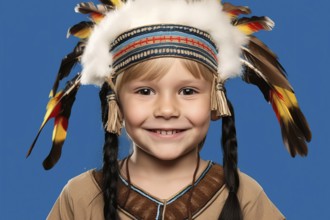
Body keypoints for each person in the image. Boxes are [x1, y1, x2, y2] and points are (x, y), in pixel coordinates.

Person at [27, 0, 312, 219]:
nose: (166, 109)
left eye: (187, 91)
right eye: (145, 91)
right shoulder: (80, 198)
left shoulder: (245, 197)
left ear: (215, 98)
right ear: (115, 100)